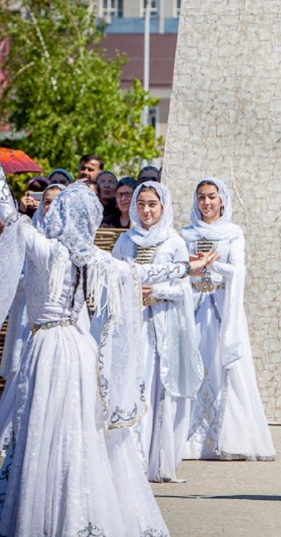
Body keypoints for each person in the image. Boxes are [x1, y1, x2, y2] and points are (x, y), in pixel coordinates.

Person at [0, 154, 217, 535]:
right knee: (79, 428)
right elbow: (141, 271)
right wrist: (187, 267)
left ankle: (45, 510)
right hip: (80, 349)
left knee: (42, 426)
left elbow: (9, 214)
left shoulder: (45, 249)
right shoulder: (95, 259)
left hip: (47, 347)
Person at [112, 182, 203, 483]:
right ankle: (129, 459)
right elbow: (112, 278)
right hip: (131, 325)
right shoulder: (125, 241)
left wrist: (156, 290)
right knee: (131, 384)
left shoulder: (174, 242)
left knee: (157, 386)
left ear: (163, 207)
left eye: (152, 204)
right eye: (141, 204)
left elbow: (184, 288)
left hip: (162, 325)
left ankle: (156, 459)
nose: (146, 210)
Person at [182, 178, 276, 464]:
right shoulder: (186, 233)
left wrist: (212, 264)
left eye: (212, 197)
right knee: (194, 365)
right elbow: (179, 269)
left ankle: (230, 438)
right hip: (195, 308)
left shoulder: (233, 232)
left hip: (222, 308)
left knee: (225, 366)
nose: (207, 203)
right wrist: (192, 266)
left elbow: (239, 271)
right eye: (201, 197)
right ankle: (189, 441)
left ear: (222, 199)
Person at [0, 183, 68, 454]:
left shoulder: (73, 240)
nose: (51, 207)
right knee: (23, 371)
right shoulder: (30, 235)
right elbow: (14, 273)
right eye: (46, 202)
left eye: (58, 203)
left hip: (63, 320)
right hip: (29, 313)